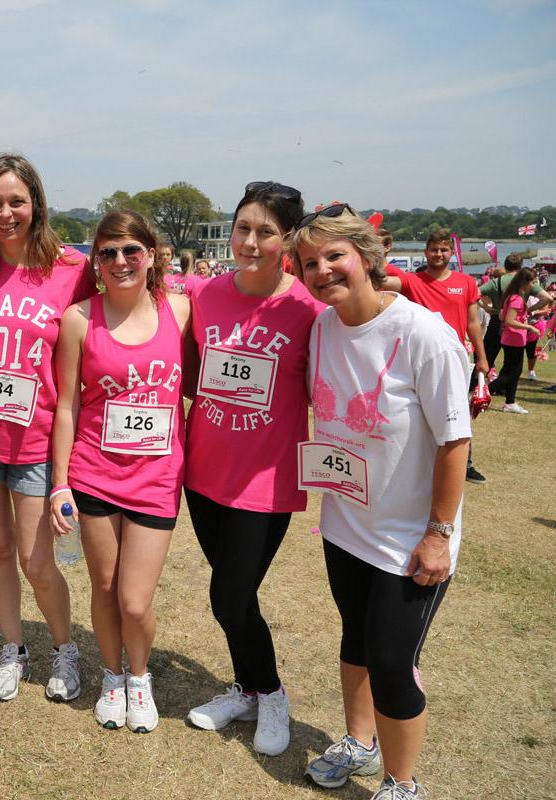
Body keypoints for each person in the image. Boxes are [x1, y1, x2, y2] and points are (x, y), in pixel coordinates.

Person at [289, 206, 470, 800]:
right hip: (346, 523)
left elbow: (454, 441)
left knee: (392, 660)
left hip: (408, 537)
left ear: (367, 258)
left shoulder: (424, 335)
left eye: (334, 256)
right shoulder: (323, 326)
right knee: (354, 638)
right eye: (310, 262)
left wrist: (439, 533)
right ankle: (360, 743)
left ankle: (402, 782)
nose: (322, 271)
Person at [0, 153, 96, 703]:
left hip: (37, 437)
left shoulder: (72, 268)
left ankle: (65, 647)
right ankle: (13, 648)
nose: (5, 213)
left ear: (36, 204)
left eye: (16, 201)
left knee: (37, 559)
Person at [182, 181, 316, 757]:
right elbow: (188, 378)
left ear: (288, 239)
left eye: (266, 232)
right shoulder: (206, 296)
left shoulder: (308, 310)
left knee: (230, 595)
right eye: (243, 228)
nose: (251, 241)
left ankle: (272, 692)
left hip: (265, 480)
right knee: (233, 595)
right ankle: (246, 688)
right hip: (204, 473)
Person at [50, 210, 190, 733]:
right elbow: (67, 405)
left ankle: (139, 676)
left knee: (135, 600)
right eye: (107, 252)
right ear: (96, 262)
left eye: (132, 250)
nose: (120, 261)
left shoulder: (179, 310)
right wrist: (60, 481)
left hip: (156, 479)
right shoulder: (79, 319)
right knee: (105, 588)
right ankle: (112, 675)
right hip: (94, 474)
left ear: (151, 256)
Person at [383, 231, 487, 483]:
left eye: (443, 250)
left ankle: (464, 465)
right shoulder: (412, 281)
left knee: (456, 413)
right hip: (416, 360)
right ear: (425, 252)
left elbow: (474, 323)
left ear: (451, 252)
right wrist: (379, 251)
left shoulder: (466, 283)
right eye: (433, 250)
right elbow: (378, 281)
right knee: (418, 413)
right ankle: (418, 462)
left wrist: (482, 358)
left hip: (455, 359)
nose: (438, 255)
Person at [478, 252, 552, 373]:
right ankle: (504, 386)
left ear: (505, 266)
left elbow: (475, 293)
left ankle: (476, 385)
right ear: (520, 266)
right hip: (516, 324)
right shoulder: (526, 282)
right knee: (512, 362)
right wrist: (530, 310)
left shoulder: (496, 282)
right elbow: (547, 298)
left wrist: (484, 306)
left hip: (497, 320)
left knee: (487, 357)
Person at [487, 267, 541, 413]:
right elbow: (509, 321)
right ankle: (484, 393)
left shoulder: (510, 296)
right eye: (533, 282)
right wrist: (529, 327)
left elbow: (501, 317)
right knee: (512, 373)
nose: (534, 285)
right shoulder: (516, 298)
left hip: (511, 338)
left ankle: (510, 402)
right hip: (514, 339)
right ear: (525, 282)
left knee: (511, 372)